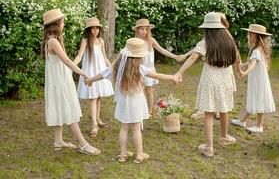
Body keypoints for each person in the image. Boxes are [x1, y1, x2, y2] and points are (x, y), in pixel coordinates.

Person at [85, 38, 181, 163]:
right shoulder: (141, 69)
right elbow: (157, 75)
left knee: (124, 127)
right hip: (136, 102)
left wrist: (90, 80)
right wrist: (172, 77)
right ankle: (139, 155)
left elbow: (101, 74)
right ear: (139, 57)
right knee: (136, 128)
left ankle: (123, 154)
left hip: (123, 102)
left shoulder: (117, 68)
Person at [176, 12, 239, 157]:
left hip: (210, 79)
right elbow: (235, 57)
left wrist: (180, 72)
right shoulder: (229, 40)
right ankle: (224, 137)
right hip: (226, 78)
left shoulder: (205, 43)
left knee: (209, 112)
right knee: (224, 109)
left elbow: (193, 57)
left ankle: (209, 147)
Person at [42, 9, 100, 155]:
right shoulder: (53, 41)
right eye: (62, 21)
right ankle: (83, 144)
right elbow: (67, 61)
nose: (64, 24)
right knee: (69, 112)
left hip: (58, 80)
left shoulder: (52, 39)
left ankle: (58, 141)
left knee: (59, 109)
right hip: (60, 82)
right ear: (56, 24)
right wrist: (83, 73)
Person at [133, 18, 186, 117]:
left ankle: (149, 111)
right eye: (142, 29)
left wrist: (175, 57)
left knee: (149, 91)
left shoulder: (151, 40)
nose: (144, 32)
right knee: (138, 91)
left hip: (149, 70)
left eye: (146, 29)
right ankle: (139, 109)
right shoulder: (135, 42)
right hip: (139, 70)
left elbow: (162, 50)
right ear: (137, 30)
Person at [231, 24, 275, 133]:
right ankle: (242, 121)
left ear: (254, 35)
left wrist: (244, 72)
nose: (248, 35)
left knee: (258, 99)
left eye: (249, 33)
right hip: (259, 80)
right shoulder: (260, 50)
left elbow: (253, 64)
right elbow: (251, 62)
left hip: (258, 81)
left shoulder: (257, 51)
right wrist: (241, 64)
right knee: (255, 99)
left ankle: (259, 126)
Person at [74, 17, 114, 137]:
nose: (95, 30)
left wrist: (112, 67)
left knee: (98, 96)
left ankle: (97, 119)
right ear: (88, 30)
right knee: (93, 97)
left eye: (97, 28)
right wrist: (71, 66)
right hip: (90, 72)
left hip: (100, 71)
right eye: (92, 28)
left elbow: (105, 57)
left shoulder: (101, 41)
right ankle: (93, 125)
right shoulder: (85, 41)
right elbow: (80, 56)